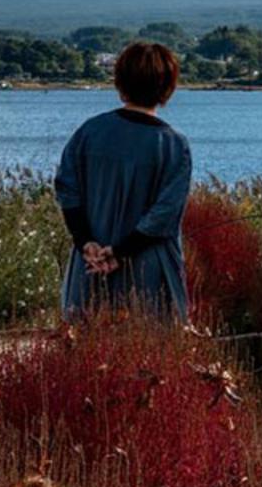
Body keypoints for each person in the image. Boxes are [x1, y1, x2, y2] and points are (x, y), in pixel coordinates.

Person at [55, 41, 192, 320]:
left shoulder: (89, 133)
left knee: (84, 348)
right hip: (149, 274)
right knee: (150, 356)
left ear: (120, 82)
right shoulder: (173, 146)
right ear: (168, 87)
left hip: (88, 267)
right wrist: (119, 253)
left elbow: (67, 191)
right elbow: (164, 215)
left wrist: (86, 243)